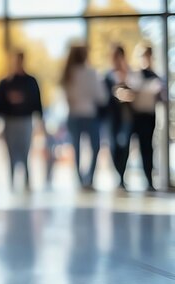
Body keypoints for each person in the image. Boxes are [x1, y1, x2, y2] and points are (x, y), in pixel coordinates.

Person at [0, 50, 43, 191]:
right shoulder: (5, 83)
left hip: (25, 120)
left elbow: (36, 101)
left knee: (25, 150)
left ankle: (26, 181)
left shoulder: (30, 81)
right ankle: (12, 181)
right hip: (10, 121)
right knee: (11, 152)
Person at [61, 45, 107, 190]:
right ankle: (89, 178)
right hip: (89, 115)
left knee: (76, 148)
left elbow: (68, 98)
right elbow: (102, 97)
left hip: (74, 115)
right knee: (95, 146)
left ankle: (81, 179)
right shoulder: (91, 73)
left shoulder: (68, 74)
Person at [129, 46, 163, 191]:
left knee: (148, 147)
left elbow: (161, 97)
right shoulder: (135, 75)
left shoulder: (155, 76)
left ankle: (149, 179)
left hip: (149, 116)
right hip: (135, 116)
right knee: (127, 147)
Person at [102, 45, 135, 190]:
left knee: (125, 146)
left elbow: (136, 90)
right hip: (112, 117)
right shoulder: (108, 76)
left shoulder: (130, 74)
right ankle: (119, 175)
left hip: (126, 116)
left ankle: (122, 176)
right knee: (114, 146)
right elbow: (103, 96)